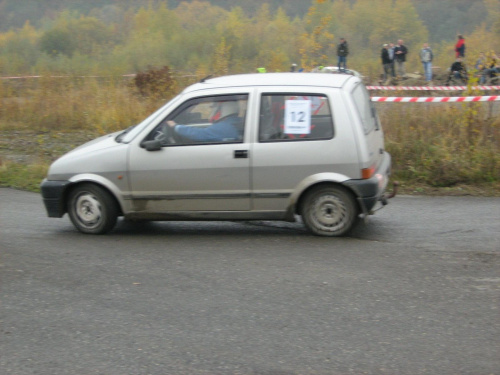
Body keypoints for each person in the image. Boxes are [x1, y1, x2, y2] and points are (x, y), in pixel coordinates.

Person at [167, 101, 242, 142]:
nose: (213, 111)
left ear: (223, 110)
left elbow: (199, 134)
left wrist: (175, 126)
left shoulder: (223, 127)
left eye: (214, 108)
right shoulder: (236, 122)